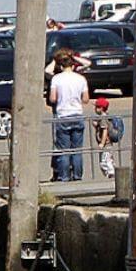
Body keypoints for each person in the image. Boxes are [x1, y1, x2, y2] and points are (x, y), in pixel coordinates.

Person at [49, 51, 89, 181]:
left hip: (63, 115)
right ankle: (77, 176)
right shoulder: (81, 79)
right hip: (77, 114)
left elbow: (53, 98)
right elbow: (86, 99)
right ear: (73, 65)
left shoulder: (57, 79)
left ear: (61, 66)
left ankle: (64, 176)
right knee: (77, 149)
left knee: (64, 150)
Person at [90, 96, 125, 178]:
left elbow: (105, 130)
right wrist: (96, 125)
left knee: (104, 162)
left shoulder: (103, 118)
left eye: (96, 107)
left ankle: (112, 175)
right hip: (107, 144)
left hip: (106, 144)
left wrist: (102, 143)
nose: (95, 109)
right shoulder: (103, 117)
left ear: (101, 108)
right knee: (108, 160)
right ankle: (112, 174)